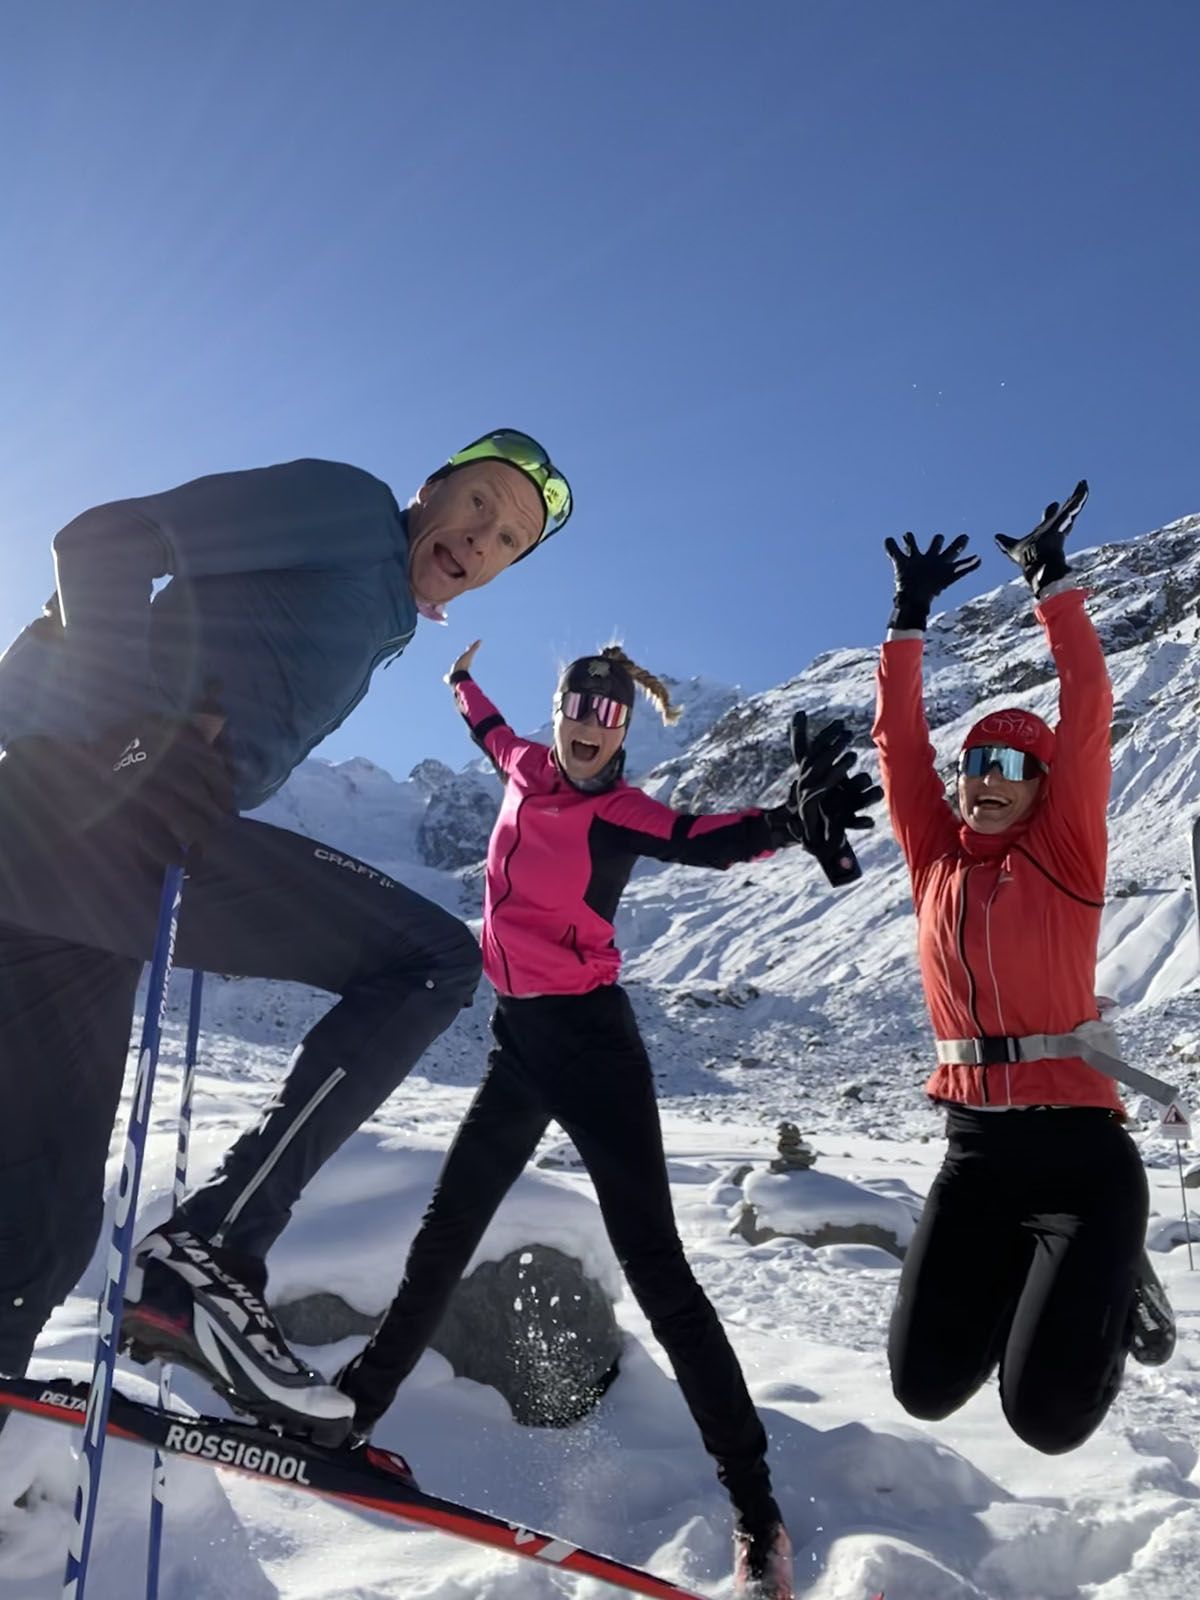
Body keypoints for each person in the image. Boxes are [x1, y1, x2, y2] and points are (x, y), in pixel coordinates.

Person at [0, 430, 572, 1443]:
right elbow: (101, 541)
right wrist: (137, 737)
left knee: (38, 1235)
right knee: (429, 959)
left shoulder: (383, 616)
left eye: (510, 540)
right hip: (71, 817)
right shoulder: (349, 513)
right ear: (430, 486)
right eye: (479, 503)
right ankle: (212, 1250)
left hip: (70, 882)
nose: (483, 537)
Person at [335, 641, 882, 1600]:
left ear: (625, 728)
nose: (592, 727)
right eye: (580, 708)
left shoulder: (615, 812)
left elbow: (703, 835)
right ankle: (354, 1416)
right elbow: (490, 732)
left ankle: (756, 1511)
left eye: (612, 716)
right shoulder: (525, 765)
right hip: (518, 1046)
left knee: (659, 1273)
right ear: (562, 711)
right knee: (445, 1232)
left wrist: (792, 824)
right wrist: (458, 680)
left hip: (594, 1052)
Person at [874, 480, 1173, 1459]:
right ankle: (1043, 1284)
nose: (984, 782)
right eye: (975, 766)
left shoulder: (1064, 852)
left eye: (1010, 768)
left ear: (1044, 789)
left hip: (1082, 1159)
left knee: (1042, 1419)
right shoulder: (937, 859)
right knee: (922, 1388)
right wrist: (906, 618)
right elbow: (898, 743)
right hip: (976, 1155)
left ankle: (1103, 1276)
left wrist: (1053, 584)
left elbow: (1088, 701)